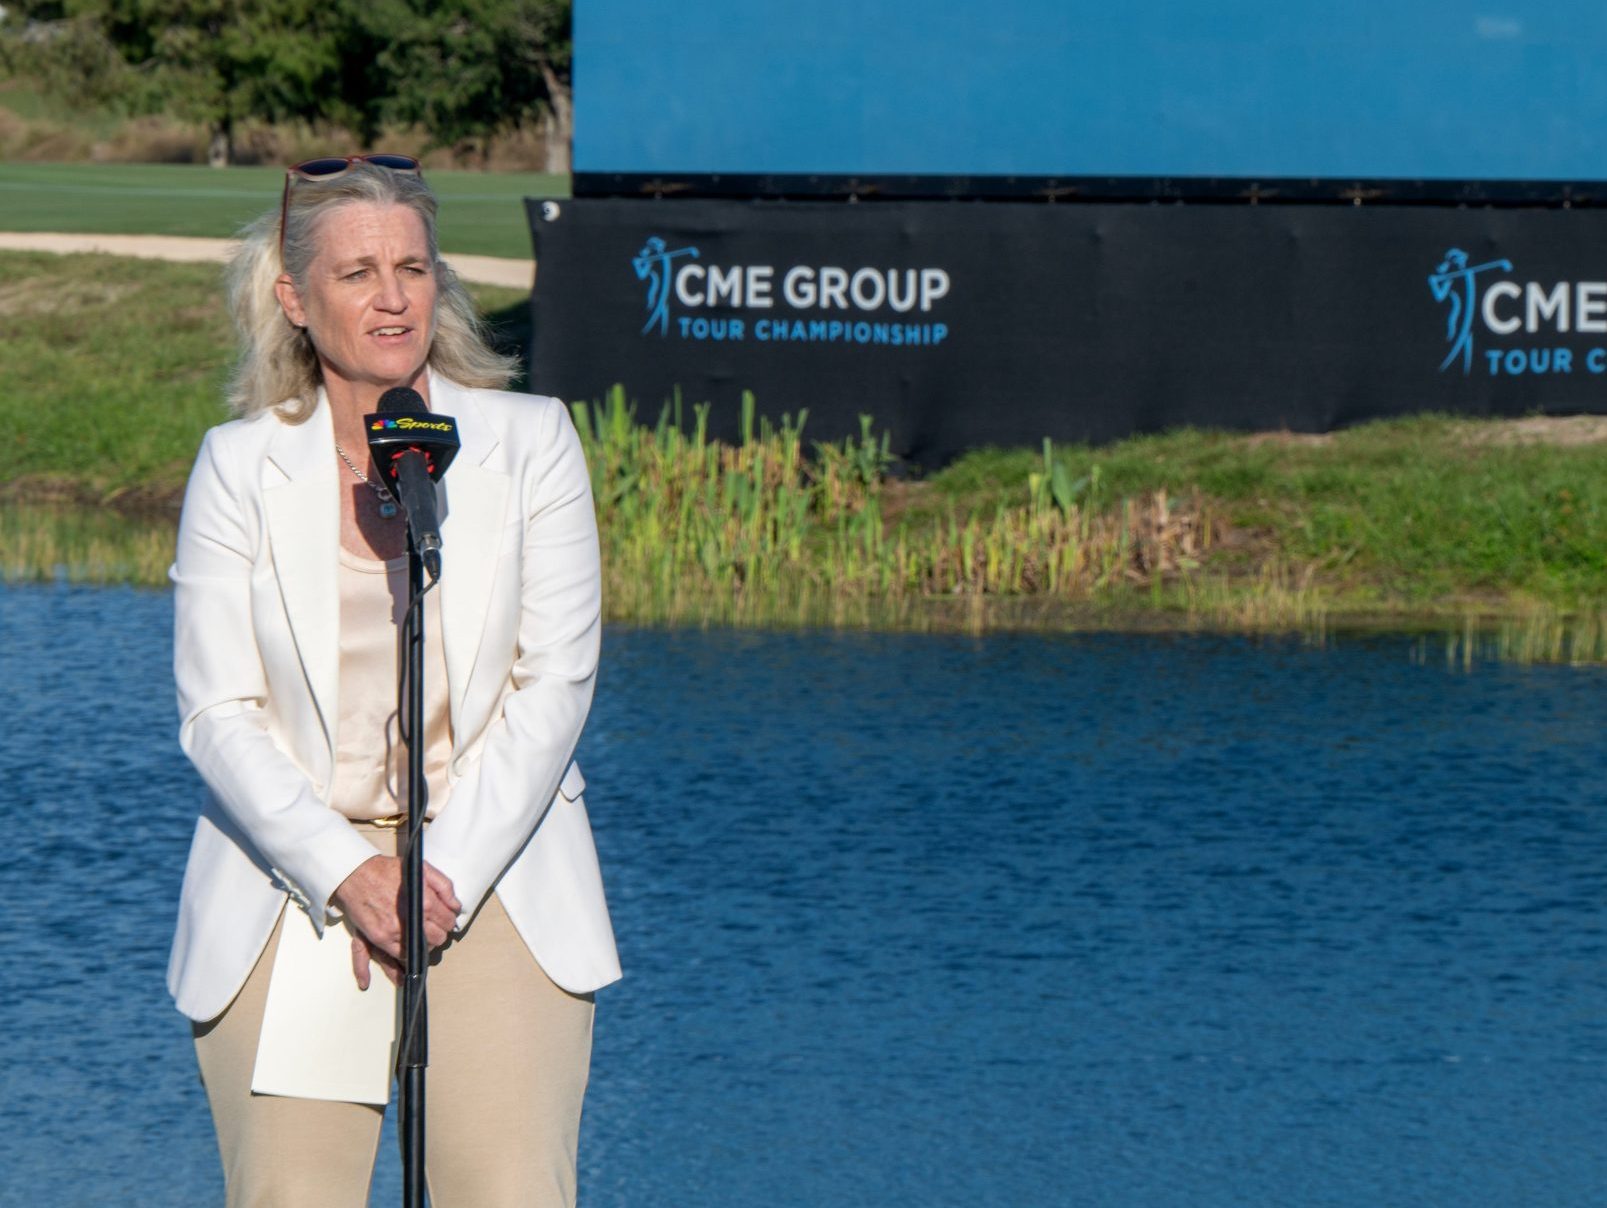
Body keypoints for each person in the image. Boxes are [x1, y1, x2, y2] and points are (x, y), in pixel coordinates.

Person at [167, 155, 620, 1207]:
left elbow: (553, 682)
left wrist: (434, 878)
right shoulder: (236, 466)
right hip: (297, 888)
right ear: (293, 296)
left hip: (489, 873)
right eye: (358, 270)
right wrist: (346, 872)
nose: (391, 295)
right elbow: (215, 711)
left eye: (412, 266)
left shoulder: (529, 444)